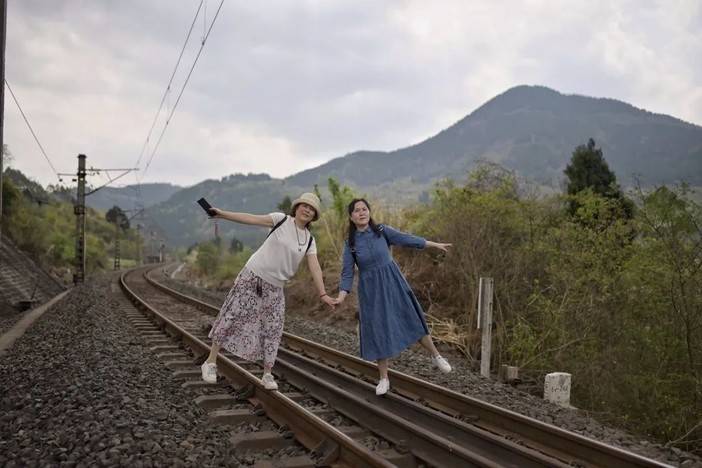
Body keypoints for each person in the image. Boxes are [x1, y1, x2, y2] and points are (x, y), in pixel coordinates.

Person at [201, 192, 336, 390]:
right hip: (253, 276)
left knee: (273, 328)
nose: (307, 210)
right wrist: (222, 214)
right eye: (304, 206)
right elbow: (251, 218)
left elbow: (315, 266)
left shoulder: (309, 240)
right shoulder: (281, 220)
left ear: (314, 215)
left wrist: (323, 293)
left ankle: (267, 374)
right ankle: (210, 362)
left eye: (312, 209)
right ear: (297, 207)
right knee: (232, 315)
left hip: (276, 287)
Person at [333, 198, 452, 395]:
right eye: (357, 210)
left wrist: (432, 244)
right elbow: (346, 274)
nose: (361, 213)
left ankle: (436, 356)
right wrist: (341, 296)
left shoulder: (382, 231)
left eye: (364, 209)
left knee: (410, 316)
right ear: (351, 217)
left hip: (392, 282)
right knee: (378, 329)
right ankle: (383, 378)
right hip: (370, 292)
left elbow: (406, 239)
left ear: (369, 212)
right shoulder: (350, 244)